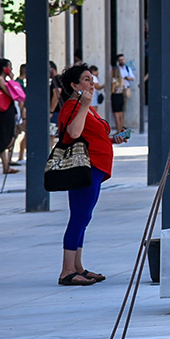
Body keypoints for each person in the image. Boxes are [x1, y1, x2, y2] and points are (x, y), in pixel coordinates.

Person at [57, 64, 129, 286]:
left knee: (84, 217)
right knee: (78, 217)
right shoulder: (73, 107)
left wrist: (112, 139)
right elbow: (74, 133)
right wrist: (85, 105)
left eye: (92, 78)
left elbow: (93, 136)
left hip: (96, 168)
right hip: (84, 168)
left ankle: (78, 266)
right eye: (87, 79)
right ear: (75, 85)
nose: (92, 82)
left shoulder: (85, 107)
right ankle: (67, 270)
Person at [110, 53, 135, 132]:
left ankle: (119, 130)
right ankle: (121, 129)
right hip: (121, 92)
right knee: (121, 113)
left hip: (118, 93)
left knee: (117, 114)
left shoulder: (115, 80)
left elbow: (112, 90)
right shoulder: (120, 80)